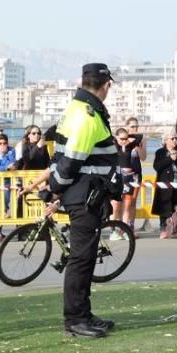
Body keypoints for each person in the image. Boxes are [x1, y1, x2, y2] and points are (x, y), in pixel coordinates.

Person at [45, 63, 120, 339]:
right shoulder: (88, 116)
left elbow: (61, 156)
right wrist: (55, 188)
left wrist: (56, 187)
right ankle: (75, 318)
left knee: (86, 257)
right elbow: (71, 161)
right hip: (84, 195)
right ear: (106, 85)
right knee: (81, 258)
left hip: (83, 193)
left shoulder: (75, 109)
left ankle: (83, 314)